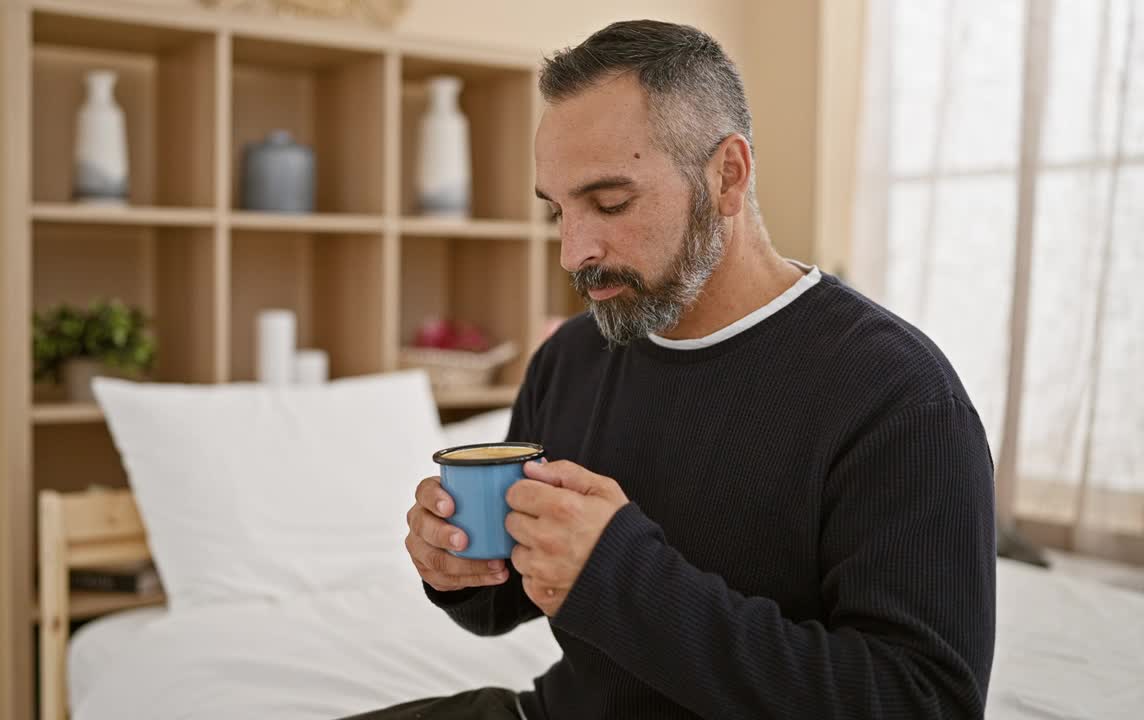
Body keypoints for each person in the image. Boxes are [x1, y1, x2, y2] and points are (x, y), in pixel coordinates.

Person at [351, 19, 996, 720]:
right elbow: (508, 602)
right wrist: (459, 571)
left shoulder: (898, 396)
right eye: (558, 211)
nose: (573, 252)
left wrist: (621, 576)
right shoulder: (571, 358)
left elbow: (922, 703)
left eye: (610, 203)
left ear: (728, 174)